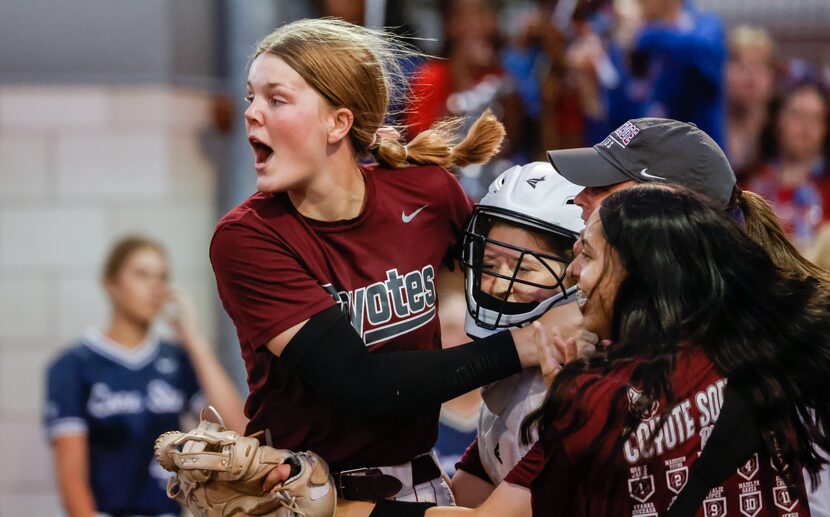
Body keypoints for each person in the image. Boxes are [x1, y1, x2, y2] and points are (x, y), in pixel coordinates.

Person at [336, 118, 830, 517]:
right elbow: (472, 496)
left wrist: (329, 508)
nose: (578, 198)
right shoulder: (772, 336)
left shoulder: (610, 381)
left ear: (668, 219)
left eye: (602, 188)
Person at [209, 18, 561, 505]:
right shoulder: (248, 237)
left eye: (276, 98)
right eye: (251, 96)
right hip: (316, 499)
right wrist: (521, 346)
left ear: (339, 122)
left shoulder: (428, 194)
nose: (251, 113)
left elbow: (515, 283)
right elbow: (363, 387)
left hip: (423, 484)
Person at [45, 236, 245, 517]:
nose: (155, 286)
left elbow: (238, 428)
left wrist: (193, 338)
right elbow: (71, 473)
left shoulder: (177, 359)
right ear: (111, 284)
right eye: (142, 274)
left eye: (162, 277)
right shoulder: (74, 366)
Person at [451, 161, 592, 506]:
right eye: (488, 265)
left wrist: (349, 508)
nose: (499, 284)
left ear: (576, 271)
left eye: (523, 269)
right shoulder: (516, 377)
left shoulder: (582, 380)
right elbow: (466, 498)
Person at [748, 80, 830, 249]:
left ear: (825, 128)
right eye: (797, 114)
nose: (805, 126)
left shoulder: (827, 188)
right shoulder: (751, 183)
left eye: (815, 117)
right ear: (778, 120)